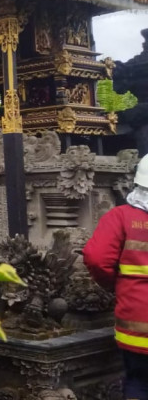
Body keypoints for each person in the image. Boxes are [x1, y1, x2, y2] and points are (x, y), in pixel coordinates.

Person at [83, 155, 148, 399]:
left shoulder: (121, 217)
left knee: (139, 382)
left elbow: (97, 258)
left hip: (138, 324)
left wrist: (116, 284)